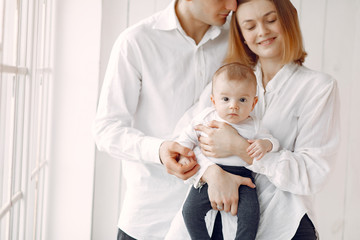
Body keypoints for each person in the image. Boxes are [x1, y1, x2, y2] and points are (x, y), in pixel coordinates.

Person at [165, 0, 340, 239]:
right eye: (249, 26)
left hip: (282, 226)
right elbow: (181, 143)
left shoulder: (318, 88)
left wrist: (239, 147)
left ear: (288, 21)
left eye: (271, 20)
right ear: (242, 36)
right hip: (216, 223)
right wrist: (211, 172)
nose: (262, 32)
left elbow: (313, 173)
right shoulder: (227, 81)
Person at [92, 0, 256, 239]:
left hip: (217, 223)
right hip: (149, 219)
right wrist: (158, 150)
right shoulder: (137, 42)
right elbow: (106, 129)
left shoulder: (240, 38)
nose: (232, 5)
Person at [177, 62, 279, 240]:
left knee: (251, 215)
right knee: (189, 211)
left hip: (243, 177)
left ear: (254, 103)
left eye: (242, 100)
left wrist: (265, 144)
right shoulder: (206, 118)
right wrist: (184, 153)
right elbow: (186, 137)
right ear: (213, 100)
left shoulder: (255, 124)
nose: (234, 106)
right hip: (209, 176)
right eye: (226, 99)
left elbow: (273, 142)